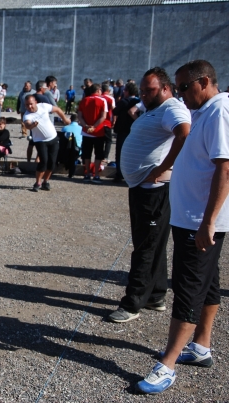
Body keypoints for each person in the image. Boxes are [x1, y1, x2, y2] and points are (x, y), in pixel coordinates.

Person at [136, 60, 229, 395]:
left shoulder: (219, 111)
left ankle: (168, 363)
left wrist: (208, 221)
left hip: (199, 222)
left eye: (185, 88)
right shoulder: (205, 111)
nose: (180, 95)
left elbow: (224, 168)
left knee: (188, 287)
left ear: (204, 82)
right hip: (191, 218)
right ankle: (201, 345)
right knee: (208, 282)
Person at [108, 67, 191, 324]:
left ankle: (132, 303)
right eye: (142, 90)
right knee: (153, 242)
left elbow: (184, 132)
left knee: (144, 246)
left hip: (154, 190)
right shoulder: (154, 109)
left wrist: (163, 167)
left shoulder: (171, 108)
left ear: (166, 88)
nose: (143, 94)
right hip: (143, 189)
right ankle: (155, 295)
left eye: (150, 89)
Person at [23, 95, 71, 192]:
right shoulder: (27, 115)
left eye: (31, 104)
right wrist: (33, 125)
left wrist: (65, 119)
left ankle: (46, 181)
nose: (30, 107)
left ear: (35, 102)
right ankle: (37, 182)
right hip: (40, 141)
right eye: (27, 105)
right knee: (43, 161)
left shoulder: (43, 106)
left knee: (52, 162)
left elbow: (57, 109)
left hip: (53, 137)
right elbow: (27, 125)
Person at [77, 83, 110, 183]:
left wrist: (86, 126)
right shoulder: (102, 100)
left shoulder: (84, 100)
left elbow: (79, 116)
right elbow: (103, 116)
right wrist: (94, 126)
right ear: (99, 90)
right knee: (98, 153)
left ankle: (87, 174)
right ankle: (96, 174)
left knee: (87, 154)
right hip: (98, 131)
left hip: (86, 131)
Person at [112, 82, 140, 182]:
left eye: (125, 90)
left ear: (128, 91)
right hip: (134, 130)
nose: (123, 92)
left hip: (123, 130)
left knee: (120, 152)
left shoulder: (124, 102)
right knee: (133, 153)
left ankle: (119, 173)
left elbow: (115, 111)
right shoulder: (139, 101)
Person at [61, 113, 83, 178]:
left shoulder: (64, 128)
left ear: (70, 119)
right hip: (77, 150)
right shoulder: (81, 129)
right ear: (78, 121)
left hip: (65, 149)